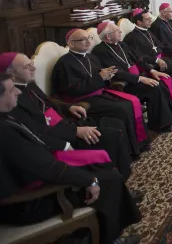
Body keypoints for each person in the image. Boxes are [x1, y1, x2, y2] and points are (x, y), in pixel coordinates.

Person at [0, 73, 142, 244]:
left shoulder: (7, 117)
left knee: (100, 171)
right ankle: (111, 240)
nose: (17, 92)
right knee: (106, 179)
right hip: (30, 202)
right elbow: (46, 168)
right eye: (11, 89)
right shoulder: (4, 132)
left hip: (36, 178)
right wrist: (89, 180)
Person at [1, 52, 135, 180]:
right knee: (112, 135)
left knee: (115, 123)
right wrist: (74, 133)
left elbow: (48, 101)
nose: (34, 68)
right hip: (58, 135)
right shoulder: (10, 98)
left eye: (32, 63)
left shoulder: (28, 84)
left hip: (65, 122)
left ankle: (123, 172)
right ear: (11, 74)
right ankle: (119, 179)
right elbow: (35, 131)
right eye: (27, 66)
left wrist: (68, 107)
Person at [52, 28, 149, 157]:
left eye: (89, 38)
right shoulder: (64, 63)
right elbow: (72, 90)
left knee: (131, 102)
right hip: (84, 101)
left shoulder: (91, 57)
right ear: (71, 44)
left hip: (100, 93)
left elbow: (100, 76)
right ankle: (130, 150)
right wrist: (100, 78)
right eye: (83, 39)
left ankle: (138, 143)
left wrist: (107, 77)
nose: (88, 42)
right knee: (123, 108)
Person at [93, 21, 172, 123]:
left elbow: (138, 58)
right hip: (126, 83)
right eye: (117, 31)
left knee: (161, 83)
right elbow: (117, 72)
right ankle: (161, 123)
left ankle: (166, 117)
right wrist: (140, 79)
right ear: (108, 36)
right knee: (154, 88)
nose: (120, 32)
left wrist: (152, 70)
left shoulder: (121, 44)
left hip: (137, 78)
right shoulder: (100, 51)